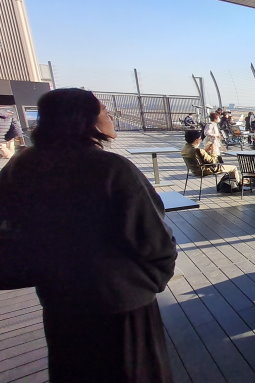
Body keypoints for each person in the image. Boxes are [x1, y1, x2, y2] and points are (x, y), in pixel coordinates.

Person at [0, 88, 177, 381]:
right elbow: (153, 238)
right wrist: (152, 281)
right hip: (123, 302)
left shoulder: (21, 165)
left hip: (60, 299)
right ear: (87, 120)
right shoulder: (112, 169)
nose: (111, 117)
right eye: (105, 111)